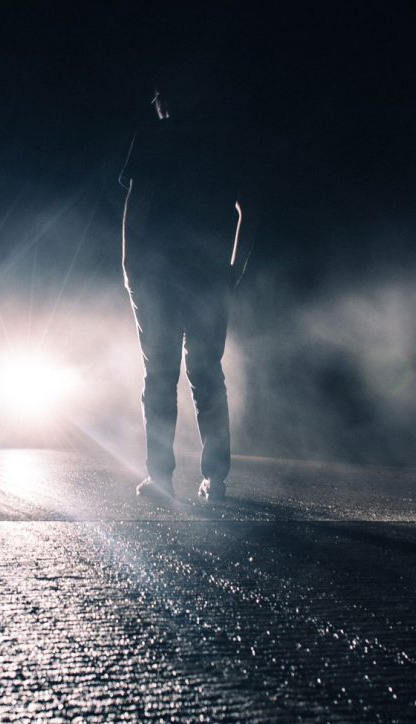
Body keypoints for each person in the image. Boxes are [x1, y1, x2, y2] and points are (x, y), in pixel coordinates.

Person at [119, 72, 254, 502]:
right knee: (207, 375)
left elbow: (137, 205)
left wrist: (130, 265)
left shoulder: (153, 137)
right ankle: (216, 479)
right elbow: (247, 211)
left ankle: (161, 479)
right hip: (208, 275)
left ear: (163, 100)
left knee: (159, 376)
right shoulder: (227, 141)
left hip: (158, 273)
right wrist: (234, 268)